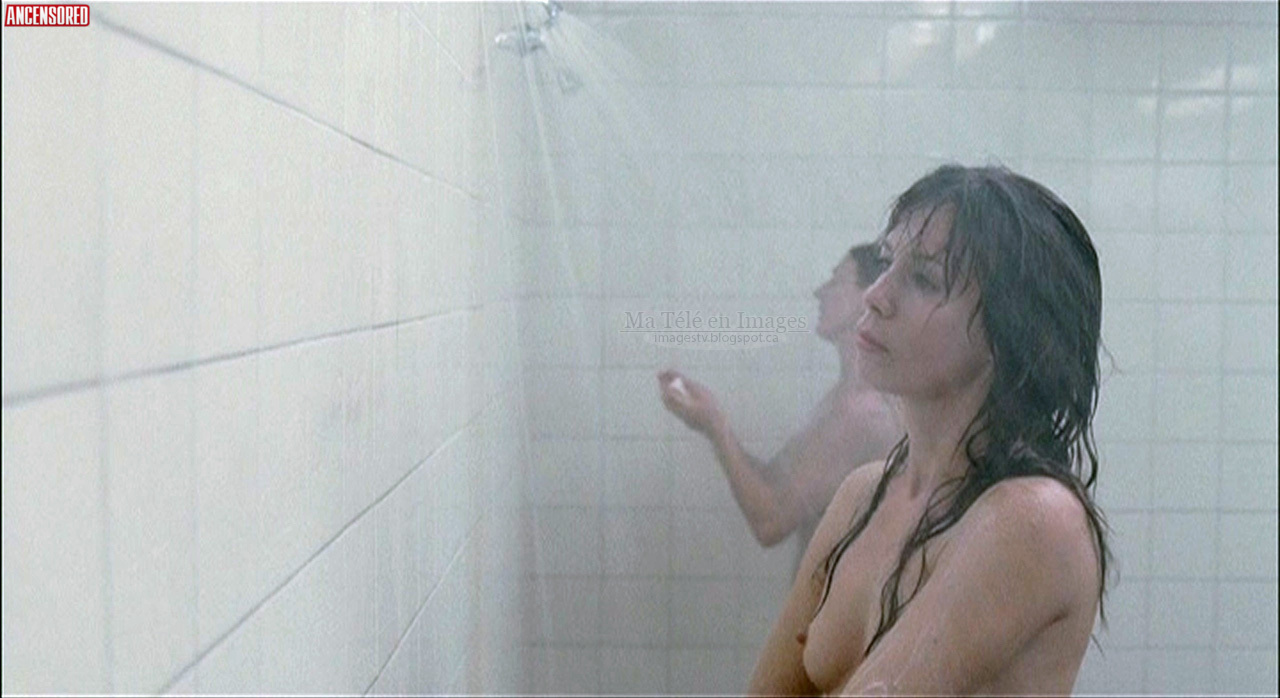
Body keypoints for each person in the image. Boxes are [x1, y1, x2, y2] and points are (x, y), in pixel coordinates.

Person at [747, 164, 1112, 696]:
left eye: (923, 279)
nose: (876, 295)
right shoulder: (861, 496)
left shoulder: (1035, 519)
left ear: (1010, 331)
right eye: (887, 262)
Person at [657, 243, 902, 574]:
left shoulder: (862, 412)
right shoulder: (845, 398)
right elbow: (772, 484)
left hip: (841, 604)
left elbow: (770, 521)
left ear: (869, 297)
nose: (819, 292)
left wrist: (715, 426)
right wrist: (709, 421)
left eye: (836, 281)